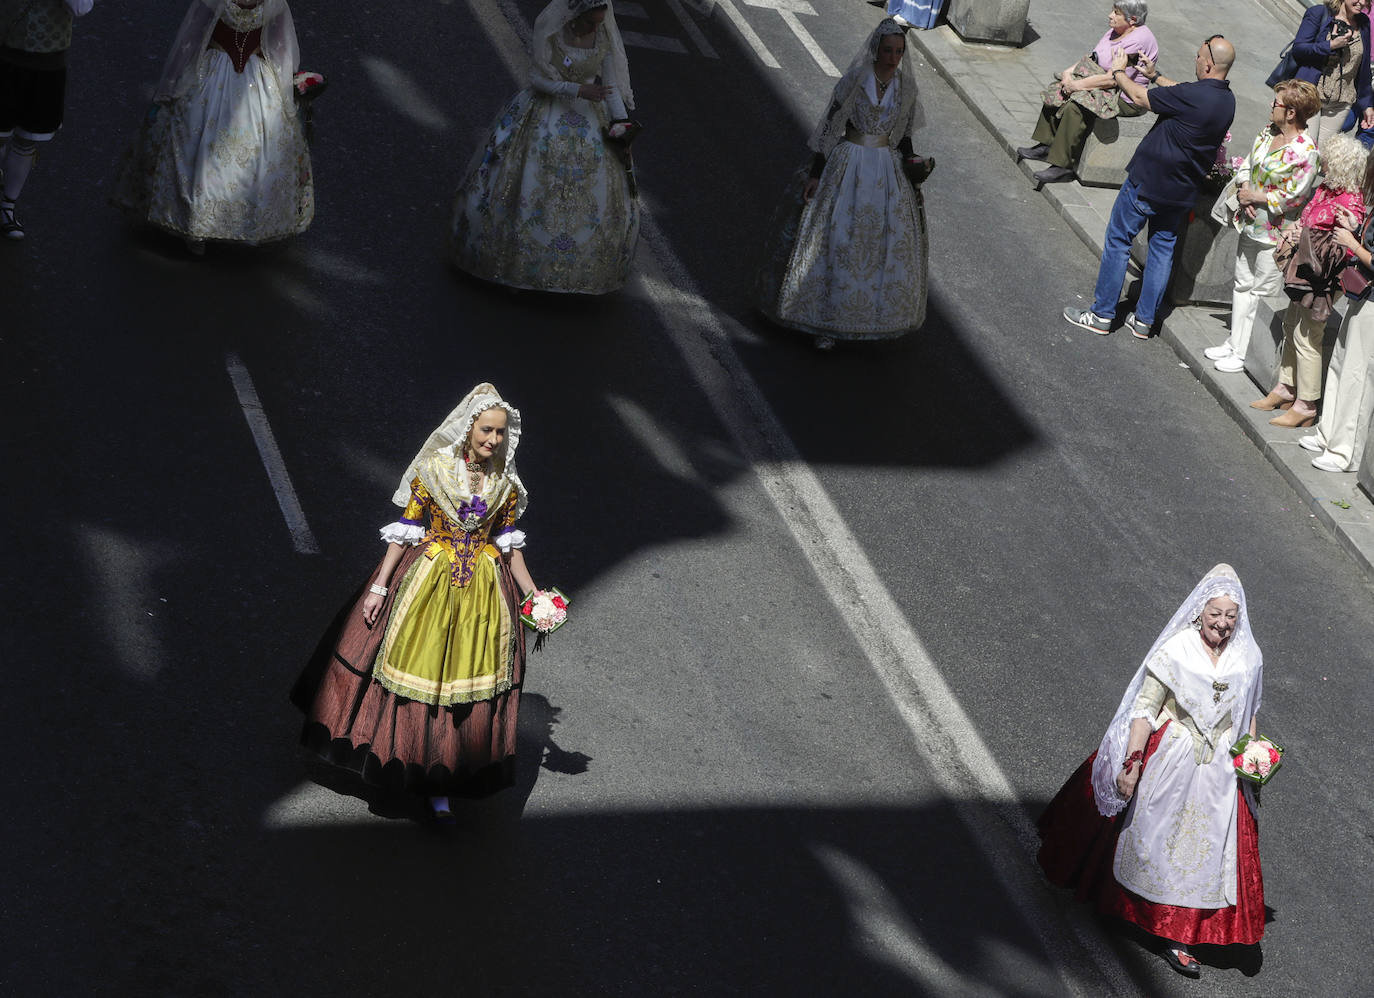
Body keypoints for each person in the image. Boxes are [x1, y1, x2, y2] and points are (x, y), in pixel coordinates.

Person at [294, 384, 540, 820]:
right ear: (468, 429)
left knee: (460, 696)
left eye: (501, 434)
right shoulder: (434, 470)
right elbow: (407, 527)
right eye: (487, 430)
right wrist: (379, 588)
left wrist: (533, 596)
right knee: (417, 682)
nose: (493, 441)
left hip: (482, 597)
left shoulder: (504, 483)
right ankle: (400, 768)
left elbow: (508, 547)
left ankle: (439, 784)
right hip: (427, 584)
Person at [1037, 564, 1266, 979]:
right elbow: (1145, 708)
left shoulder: (1248, 658)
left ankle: (1180, 936)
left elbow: (1248, 714)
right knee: (1156, 839)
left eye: (1231, 616)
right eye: (1216, 613)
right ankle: (1137, 910)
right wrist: (1133, 761)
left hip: (1218, 771)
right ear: (1200, 611)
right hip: (1174, 757)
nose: (1223, 623)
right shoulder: (1177, 649)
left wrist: (1253, 756)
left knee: (1206, 850)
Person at [755, 18, 929, 349]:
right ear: (876, 49)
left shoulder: (907, 88)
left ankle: (872, 319)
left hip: (885, 170)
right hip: (847, 162)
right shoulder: (856, 79)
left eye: (899, 51)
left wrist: (914, 169)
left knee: (880, 247)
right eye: (888, 50)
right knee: (836, 240)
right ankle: (826, 322)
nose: (893, 57)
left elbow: (904, 137)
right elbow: (830, 128)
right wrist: (817, 173)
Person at [450, 0, 638, 294]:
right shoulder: (551, 30)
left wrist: (623, 130)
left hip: (589, 123)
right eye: (591, 21)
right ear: (576, 13)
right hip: (544, 115)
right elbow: (537, 78)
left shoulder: (603, 37)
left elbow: (611, 90)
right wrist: (577, 89)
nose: (596, 27)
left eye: (600, 21)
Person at [1062, 36, 1236, 340]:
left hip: (1149, 181)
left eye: (1197, 56)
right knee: (1162, 249)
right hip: (1182, 190)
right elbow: (1178, 92)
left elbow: (1143, 99)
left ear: (1207, 63)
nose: (1195, 60)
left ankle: (1101, 314)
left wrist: (1118, 72)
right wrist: (1155, 75)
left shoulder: (1195, 96)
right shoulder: (1225, 100)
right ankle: (1143, 321)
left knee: (1119, 240)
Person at [111, 0, 314, 254]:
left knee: (196, 148)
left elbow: (191, 39)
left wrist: (174, 84)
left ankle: (196, 228)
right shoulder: (274, 3)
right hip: (256, 75)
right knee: (258, 155)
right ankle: (250, 224)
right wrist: (286, 87)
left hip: (212, 71)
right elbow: (281, 47)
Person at [1251, 132, 1368, 428]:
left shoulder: (1351, 200)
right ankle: (1285, 388)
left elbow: (1345, 243)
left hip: (1323, 277)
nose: (1323, 163)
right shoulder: (1326, 189)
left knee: (1308, 335)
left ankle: (1306, 405)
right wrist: (1294, 231)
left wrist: (1347, 229)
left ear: (1340, 163)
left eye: (1328, 159)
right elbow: (1307, 218)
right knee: (1291, 325)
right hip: (1303, 270)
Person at [1204, 80, 1321, 374]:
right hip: (1250, 222)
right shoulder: (1268, 132)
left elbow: (1295, 195)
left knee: (1261, 290)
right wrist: (1244, 189)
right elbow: (1248, 164)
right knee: (1242, 283)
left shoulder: (1306, 152)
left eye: (1276, 103)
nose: (1271, 106)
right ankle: (1234, 342)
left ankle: (1245, 352)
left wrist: (1257, 196)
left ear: (1291, 112)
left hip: (1276, 233)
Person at [1016, 3, 1158, 187]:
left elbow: (1113, 79)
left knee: (1077, 104)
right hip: (1101, 80)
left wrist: (1075, 86)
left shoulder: (1137, 42)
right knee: (1057, 88)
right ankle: (1047, 145)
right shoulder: (1116, 30)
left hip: (1123, 96)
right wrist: (1068, 74)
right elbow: (1094, 56)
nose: (1110, 15)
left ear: (1132, 20)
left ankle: (1063, 165)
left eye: (1116, 13)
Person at [1298, 156, 1374, 469]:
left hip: (1371, 301)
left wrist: (1353, 245)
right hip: (1363, 294)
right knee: (1342, 363)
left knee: (1357, 375)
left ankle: (1345, 453)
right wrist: (1356, 228)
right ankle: (1328, 432)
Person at [0, 0, 95, 240]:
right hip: (5, 51)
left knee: (28, 138)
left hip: (48, 62)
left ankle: (7, 207)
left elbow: (81, 8)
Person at [1290, 0, 1374, 143]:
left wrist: (1367, 104)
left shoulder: (1363, 23)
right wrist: (1330, 45)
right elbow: (1299, 49)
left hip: (1340, 103)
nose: (1361, 2)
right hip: (1311, 93)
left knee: (1322, 157)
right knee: (1304, 148)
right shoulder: (1319, 13)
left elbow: (1363, 67)